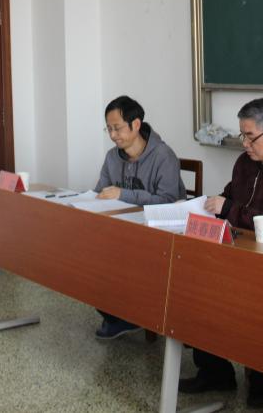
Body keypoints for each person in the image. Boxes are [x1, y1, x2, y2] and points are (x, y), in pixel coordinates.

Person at [180, 97, 263, 409]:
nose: (244, 144)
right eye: (241, 135)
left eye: (250, 136)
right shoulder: (245, 163)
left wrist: (228, 208)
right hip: (241, 247)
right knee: (194, 280)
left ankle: (261, 381)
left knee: (259, 299)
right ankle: (215, 372)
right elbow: (230, 197)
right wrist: (207, 206)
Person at [93, 95, 184, 340]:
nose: (113, 135)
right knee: (88, 258)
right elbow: (100, 192)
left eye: (117, 128)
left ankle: (132, 315)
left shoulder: (164, 156)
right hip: (122, 231)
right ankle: (120, 316)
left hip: (158, 236)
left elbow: (168, 201)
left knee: (115, 261)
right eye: (109, 129)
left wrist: (123, 194)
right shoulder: (112, 157)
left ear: (135, 124)